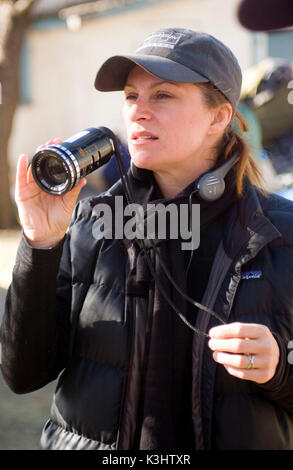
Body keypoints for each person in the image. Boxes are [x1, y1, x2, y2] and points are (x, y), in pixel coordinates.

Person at [1, 27, 293, 451]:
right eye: (131, 96)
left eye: (163, 95)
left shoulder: (281, 232)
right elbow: (23, 373)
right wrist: (41, 244)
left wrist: (279, 366)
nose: (138, 111)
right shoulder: (90, 222)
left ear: (219, 117)